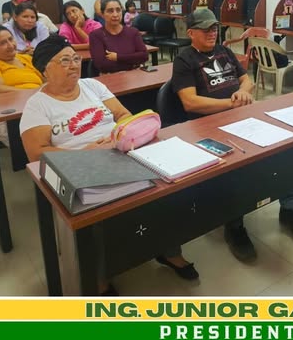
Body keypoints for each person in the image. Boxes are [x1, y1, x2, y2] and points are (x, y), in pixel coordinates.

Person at [19, 36, 198, 288]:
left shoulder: (92, 86)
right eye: (64, 61)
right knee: (100, 216)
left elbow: (123, 114)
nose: (74, 65)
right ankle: (101, 274)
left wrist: (118, 133)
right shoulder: (37, 105)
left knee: (163, 188)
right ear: (44, 69)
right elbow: (36, 154)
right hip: (77, 166)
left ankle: (169, 250)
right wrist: (86, 152)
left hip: (119, 151)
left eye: (75, 58)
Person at [172, 8, 293, 263]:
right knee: (236, 167)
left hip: (240, 116)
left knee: (287, 148)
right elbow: (190, 102)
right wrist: (230, 102)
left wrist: (243, 92)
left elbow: (246, 80)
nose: (212, 32)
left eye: (214, 28)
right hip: (207, 126)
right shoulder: (184, 60)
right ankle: (234, 226)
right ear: (191, 32)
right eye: (205, 29)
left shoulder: (224, 52)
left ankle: (292, 210)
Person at [0, 25, 43, 96]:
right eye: (3, 43)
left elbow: (46, 81)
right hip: (6, 101)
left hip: (36, 99)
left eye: (11, 39)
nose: (11, 45)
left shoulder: (27, 59)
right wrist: (32, 93)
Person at [89, 0, 148, 73]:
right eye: (110, 11)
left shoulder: (133, 32)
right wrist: (132, 60)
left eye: (118, 10)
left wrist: (118, 57)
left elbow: (144, 56)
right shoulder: (96, 35)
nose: (115, 14)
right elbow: (101, 64)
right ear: (102, 14)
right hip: (111, 77)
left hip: (133, 76)